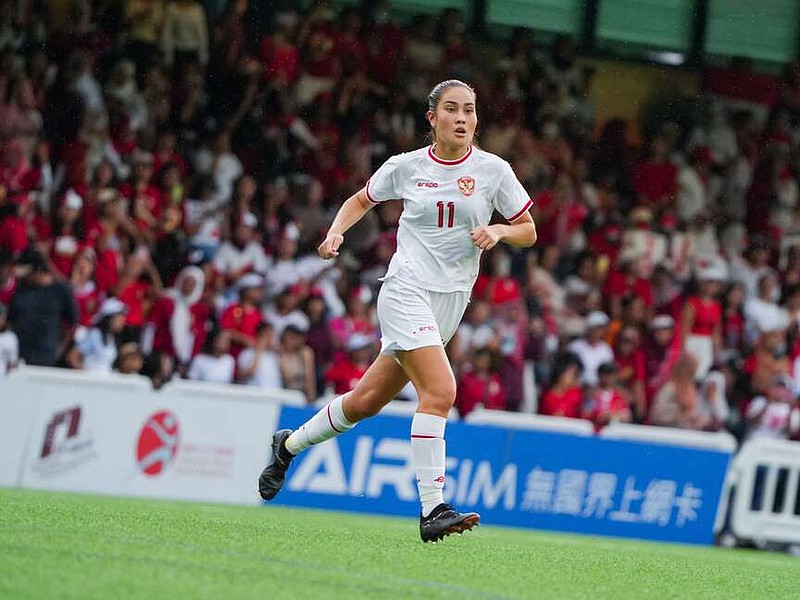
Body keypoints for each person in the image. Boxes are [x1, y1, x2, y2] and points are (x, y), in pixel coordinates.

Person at [258, 79, 537, 542]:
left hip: (451, 300)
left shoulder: (494, 171)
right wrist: (334, 234)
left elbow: (528, 228)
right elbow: (360, 200)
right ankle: (433, 510)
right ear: (433, 119)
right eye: (452, 109)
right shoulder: (405, 167)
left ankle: (287, 446)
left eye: (470, 109)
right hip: (406, 288)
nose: (463, 118)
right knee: (441, 390)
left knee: (366, 402)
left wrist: (500, 233)